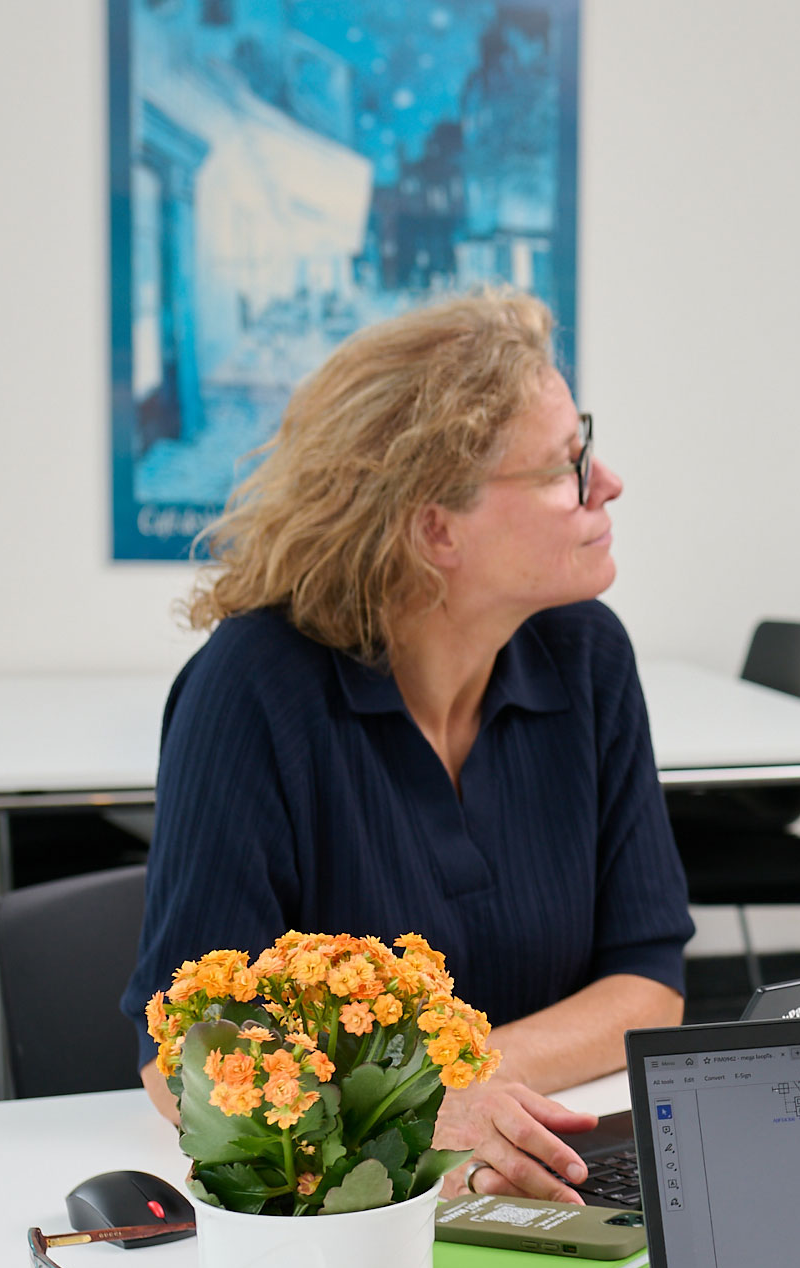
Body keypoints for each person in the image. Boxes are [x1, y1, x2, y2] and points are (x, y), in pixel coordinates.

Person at [121, 289, 693, 1203]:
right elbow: (184, 1058)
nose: (607, 482)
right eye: (563, 467)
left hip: (540, 1170)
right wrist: (415, 1113)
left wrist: (455, 1092)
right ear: (435, 529)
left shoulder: (586, 653)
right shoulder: (252, 689)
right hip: (336, 1221)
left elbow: (650, 985)